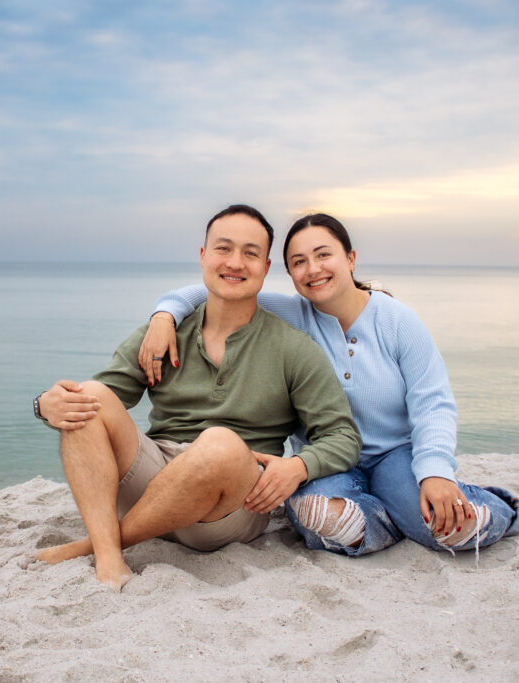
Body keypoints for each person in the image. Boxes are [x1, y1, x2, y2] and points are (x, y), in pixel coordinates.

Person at [138, 213, 519, 559]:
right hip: (327, 461)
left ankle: (515, 513)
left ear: (351, 258)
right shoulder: (291, 314)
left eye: (324, 255)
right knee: (316, 515)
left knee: (446, 528)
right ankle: (392, 521)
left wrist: (434, 471)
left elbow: (433, 403)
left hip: (396, 456)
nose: (313, 269)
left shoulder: (397, 320)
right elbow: (213, 288)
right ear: (288, 274)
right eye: (299, 262)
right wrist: (164, 316)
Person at [33, 205, 361, 590]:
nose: (235, 262)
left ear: (267, 266)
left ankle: (98, 544)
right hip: (153, 478)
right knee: (88, 396)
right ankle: (109, 558)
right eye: (223, 249)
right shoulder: (164, 333)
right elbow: (103, 397)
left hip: (231, 503)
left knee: (218, 444)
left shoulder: (294, 349)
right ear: (203, 256)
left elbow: (342, 435)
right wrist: (45, 404)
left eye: (250, 253)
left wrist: (298, 466)